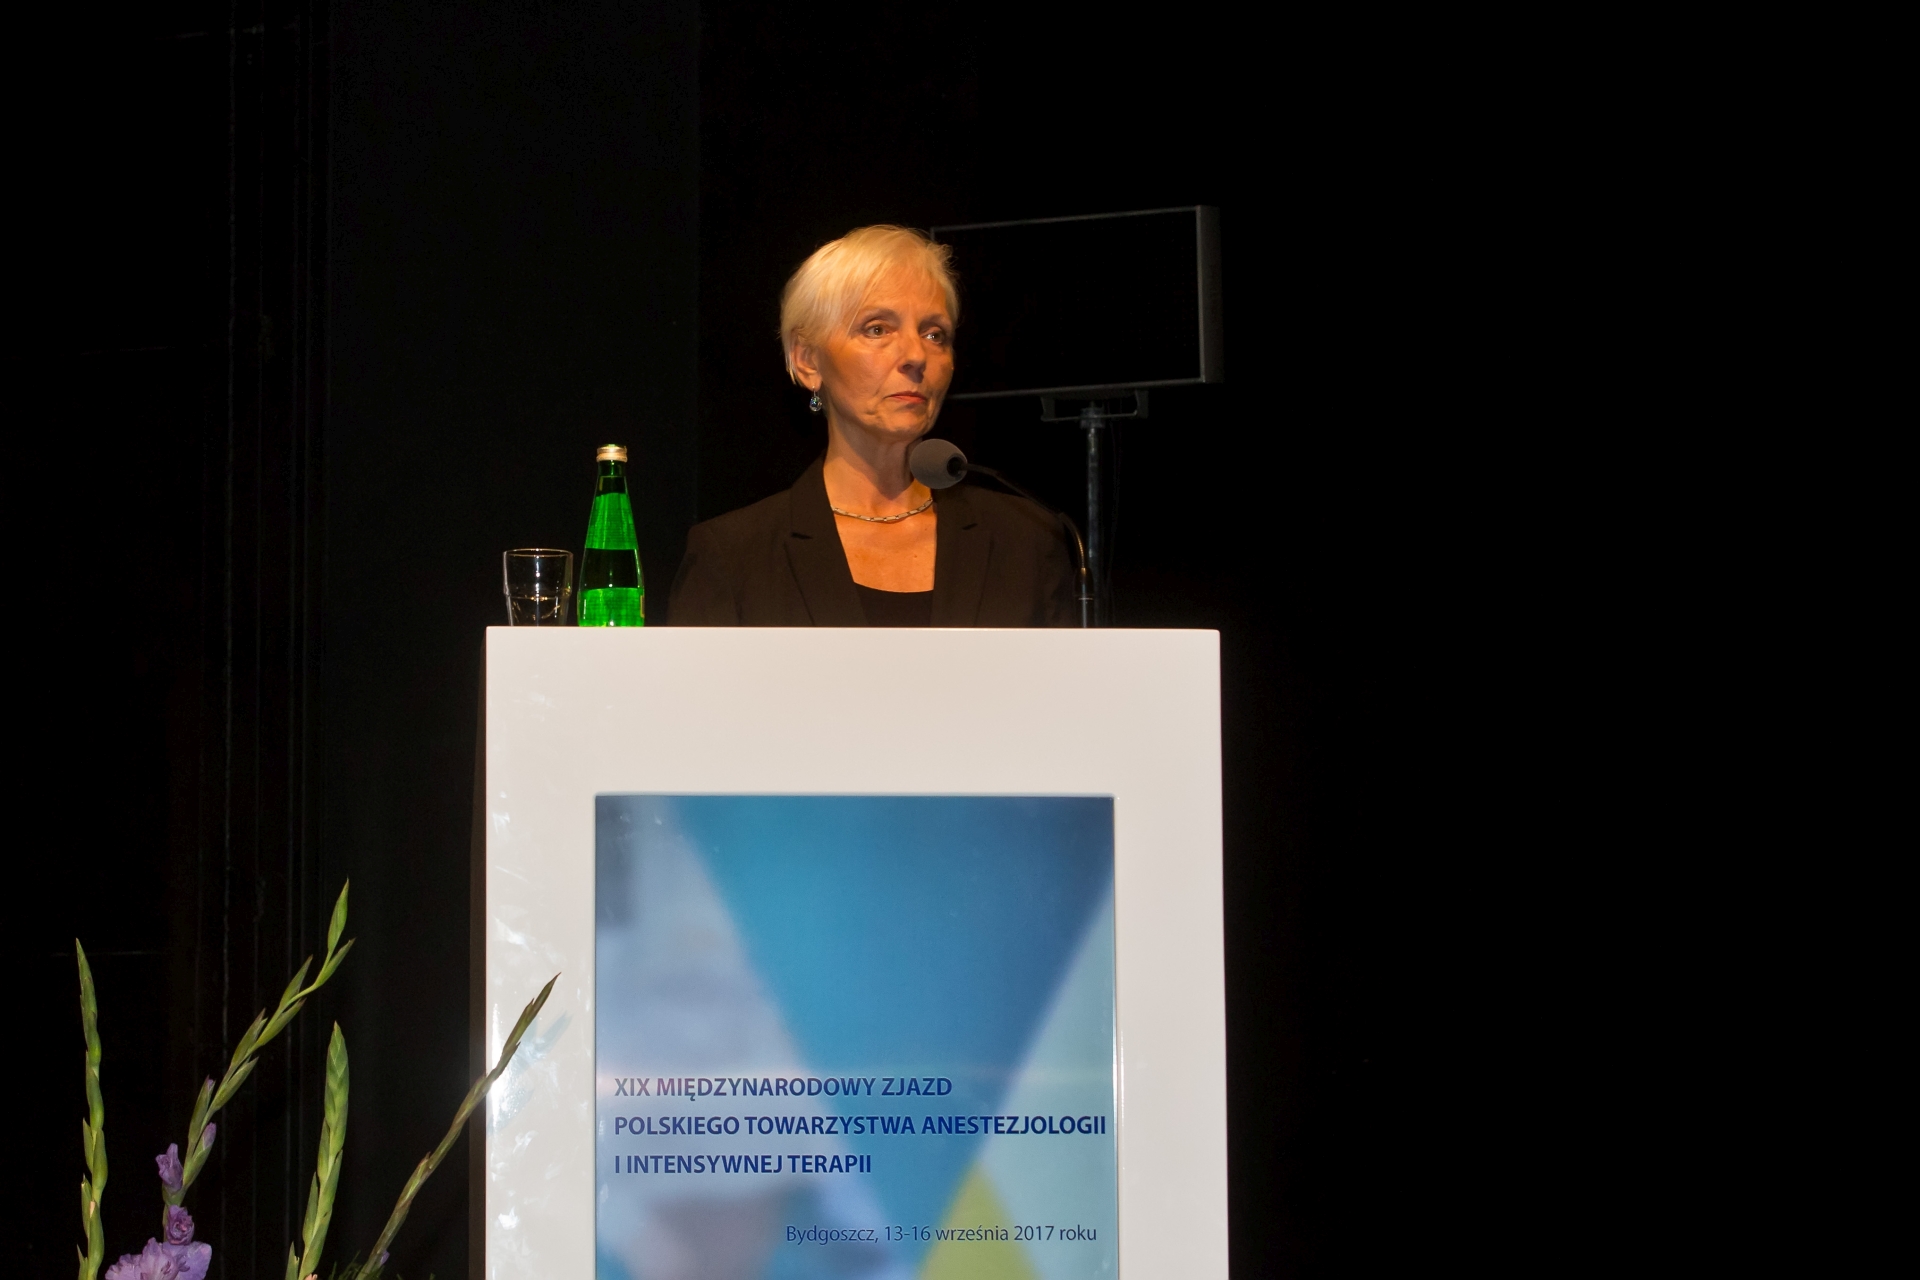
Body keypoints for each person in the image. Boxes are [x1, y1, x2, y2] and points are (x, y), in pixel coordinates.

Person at [668, 225, 1075, 627]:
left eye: (935, 334)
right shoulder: (734, 557)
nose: (916, 355)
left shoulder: (1027, 541)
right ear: (808, 360)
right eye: (877, 329)